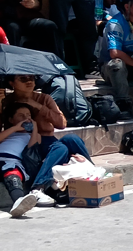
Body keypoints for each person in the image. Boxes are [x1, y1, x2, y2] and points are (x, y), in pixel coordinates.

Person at [0, 74, 91, 209]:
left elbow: (61, 123)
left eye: (32, 78)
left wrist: (36, 105)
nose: (29, 81)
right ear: (12, 83)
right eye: (23, 79)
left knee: (72, 139)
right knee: (61, 149)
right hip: (27, 143)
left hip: (47, 139)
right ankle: (38, 187)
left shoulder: (44, 98)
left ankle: (94, 174)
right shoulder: (7, 101)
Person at [101, 0, 133, 113]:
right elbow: (114, 53)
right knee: (117, 64)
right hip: (114, 68)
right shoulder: (115, 24)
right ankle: (123, 103)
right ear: (127, 7)